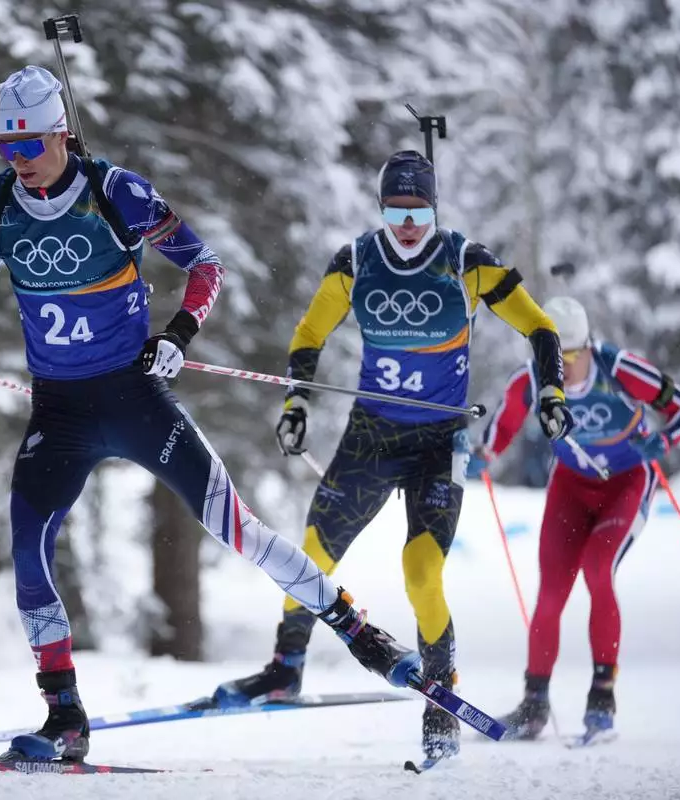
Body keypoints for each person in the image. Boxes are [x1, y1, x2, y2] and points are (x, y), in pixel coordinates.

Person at [0, 65, 422, 763]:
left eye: (29, 145)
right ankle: (64, 716)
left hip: (134, 400)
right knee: (29, 553)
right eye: (6, 147)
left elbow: (205, 264)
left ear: (60, 134)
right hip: (58, 413)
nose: (19, 161)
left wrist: (178, 335)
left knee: (238, 529)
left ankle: (360, 633)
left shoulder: (115, 191)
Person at [211, 149, 572, 763]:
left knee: (421, 572)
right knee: (313, 552)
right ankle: (285, 666)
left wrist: (553, 392)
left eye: (419, 211)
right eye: (396, 210)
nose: (407, 223)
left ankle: (440, 699)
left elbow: (540, 327)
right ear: (380, 209)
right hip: (371, 436)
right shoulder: (356, 262)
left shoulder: (466, 262)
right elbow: (310, 332)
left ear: (435, 209)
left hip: (439, 442)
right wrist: (296, 403)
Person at [468, 296, 680, 741]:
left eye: (572, 356)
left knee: (597, 568)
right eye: (554, 359)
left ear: (588, 346)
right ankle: (534, 705)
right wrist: (483, 454)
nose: (563, 369)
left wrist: (665, 441)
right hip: (571, 487)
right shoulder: (531, 379)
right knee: (551, 591)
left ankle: (602, 698)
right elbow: (503, 428)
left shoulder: (619, 368)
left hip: (626, 483)